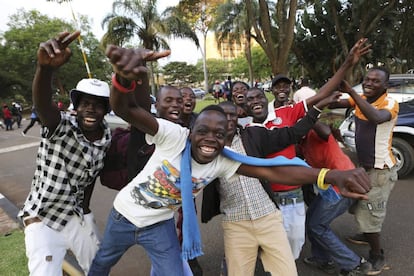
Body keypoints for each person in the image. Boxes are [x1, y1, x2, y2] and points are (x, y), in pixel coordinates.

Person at [88, 44, 371, 276]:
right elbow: (125, 108)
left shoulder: (224, 158)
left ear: (229, 135)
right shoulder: (173, 135)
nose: (210, 139)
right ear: (192, 130)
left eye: (219, 134)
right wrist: (123, 80)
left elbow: (275, 172)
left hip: (159, 225)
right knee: (101, 264)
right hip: (123, 215)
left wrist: (329, 175)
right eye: (203, 131)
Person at [246, 38, 372, 259]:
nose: (255, 101)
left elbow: (321, 95)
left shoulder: (288, 113)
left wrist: (347, 64)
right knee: (268, 247)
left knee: (293, 244)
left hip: (291, 193)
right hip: (265, 195)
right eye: (250, 99)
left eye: (258, 96)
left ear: (265, 98)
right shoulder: (245, 129)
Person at [201, 95, 339, 276]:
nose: (228, 120)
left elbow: (293, 133)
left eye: (232, 115)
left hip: (268, 217)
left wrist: (316, 110)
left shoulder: (253, 135)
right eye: (222, 116)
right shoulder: (207, 148)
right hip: (236, 223)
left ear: (238, 118)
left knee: (287, 272)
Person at [17, 31, 112, 276]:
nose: (91, 109)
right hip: (43, 218)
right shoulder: (60, 127)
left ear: (105, 110)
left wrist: (87, 212)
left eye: (98, 104)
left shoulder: (106, 136)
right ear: (76, 107)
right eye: (85, 103)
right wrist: (45, 69)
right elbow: (43, 106)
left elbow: (91, 176)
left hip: (75, 216)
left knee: (98, 268)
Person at [330, 67, 399, 275]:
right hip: (365, 168)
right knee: (361, 206)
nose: (369, 83)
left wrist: (351, 92)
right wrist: (328, 96)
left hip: (380, 171)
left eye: (375, 81)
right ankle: (366, 232)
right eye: (367, 79)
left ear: (385, 86)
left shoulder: (389, 103)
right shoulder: (361, 99)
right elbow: (336, 103)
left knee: (370, 211)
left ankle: (377, 254)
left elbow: (376, 117)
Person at [300, 123, 373, 275]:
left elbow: (326, 132)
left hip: (344, 185)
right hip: (330, 186)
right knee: (312, 221)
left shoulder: (315, 133)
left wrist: (307, 117)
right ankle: (322, 259)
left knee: (317, 226)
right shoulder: (301, 143)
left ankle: (355, 264)